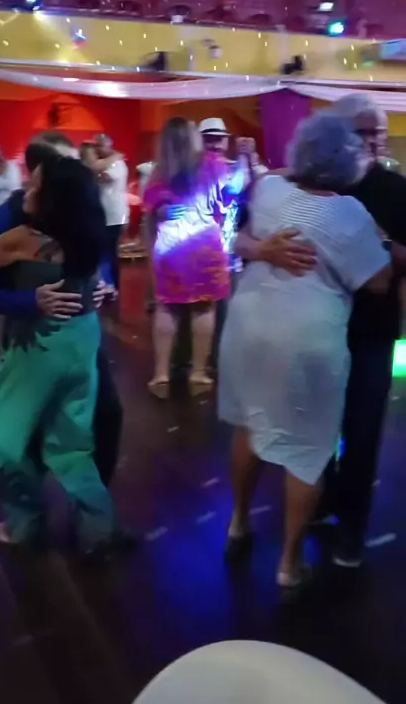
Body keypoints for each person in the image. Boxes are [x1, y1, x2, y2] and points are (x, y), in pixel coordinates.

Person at [219, 112, 390, 587]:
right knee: (308, 449)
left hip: (249, 324)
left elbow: (239, 235)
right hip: (306, 338)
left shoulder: (270, 190)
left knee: (250, 425)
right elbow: (378, 282)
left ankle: (238, 522)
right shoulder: (350, 214)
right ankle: (289, 563)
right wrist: (380, 243)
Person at [0, 154, 126, 558]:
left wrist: (92, 289)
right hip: (73, 343)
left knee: (8, 443)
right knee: (70, 444)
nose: (25, 190)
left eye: (36, 186)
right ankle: (98, 530)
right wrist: (33, 298)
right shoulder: (80, 230)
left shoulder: (29, 237)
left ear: (58, 200)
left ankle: (27, 526)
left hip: (44, 350)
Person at [0, 132, 124, 489]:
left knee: (106, 415)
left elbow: (99, 259)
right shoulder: (5, 221)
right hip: (31, 343)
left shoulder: (82, 206)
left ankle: (91, 506)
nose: (78, 170)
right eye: (65, 163)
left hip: (82, 339)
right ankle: (30, 510)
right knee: (28, 434)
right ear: (39, 173)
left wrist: (102, 283)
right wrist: (31, 301)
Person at [144, 117, 231, 398]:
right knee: (203, 308)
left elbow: (153, 206)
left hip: (170, 245)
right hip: (204, 244)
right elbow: (225, 201)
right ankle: (198, 373)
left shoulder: (160, 169)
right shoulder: (213, 163)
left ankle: (161, 374)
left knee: (166, 307)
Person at [93, 134, 129, 295]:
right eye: (96, 146)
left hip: (114, 215)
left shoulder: (117, 163)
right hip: (103, 214)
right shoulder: (106, 162)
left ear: (109, 146)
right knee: (104, 250)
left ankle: (113, 286)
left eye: (100, 145)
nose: (97, 149)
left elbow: (104, 177)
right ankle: (107, 283)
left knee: (110, 252)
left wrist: (94, 169)